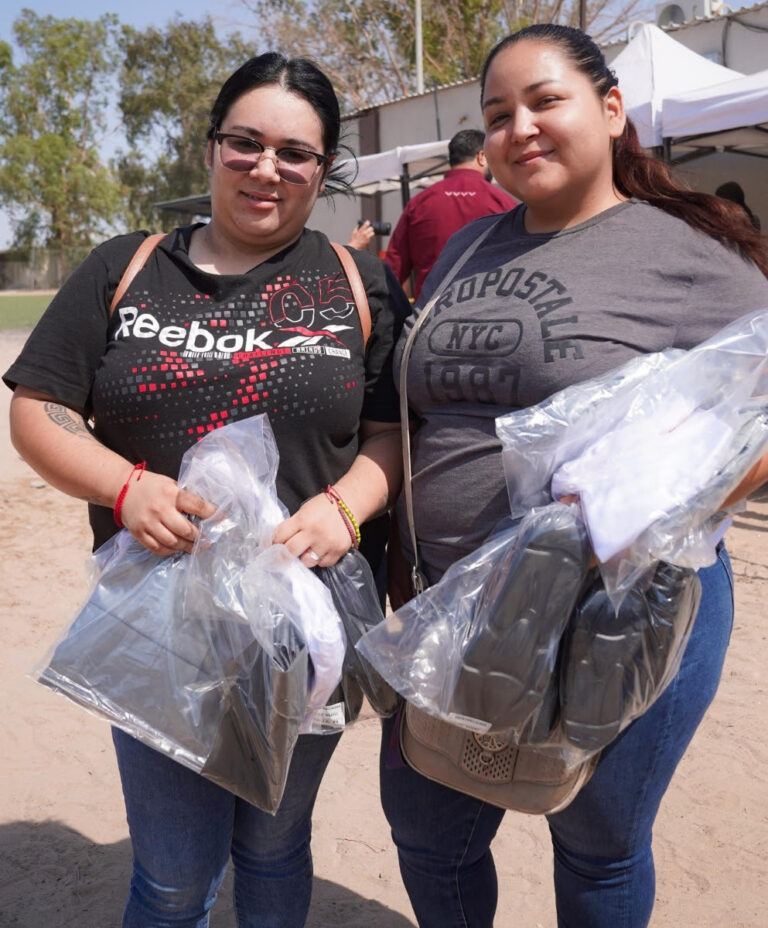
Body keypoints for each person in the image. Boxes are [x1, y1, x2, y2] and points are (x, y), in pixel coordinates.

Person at [4, 52, 408, 928]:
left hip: (303, 627)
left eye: (296, 153)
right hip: (163, 628)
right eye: (246, 143)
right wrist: (125, 487)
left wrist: (348, 506)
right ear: (213, 147)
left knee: (273, 847)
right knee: (177, 876)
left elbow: (390, 431)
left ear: (324, 168)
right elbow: (37, 407)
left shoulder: (358, 284)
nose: (268, 169)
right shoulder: (126, 266)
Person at [380, 24, 768, 928]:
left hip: (618, 615)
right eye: (498, 113)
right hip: (457, 609)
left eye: (545, 100)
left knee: (596, 848)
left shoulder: (686, 248)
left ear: (610, 107)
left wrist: (674, 509)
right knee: (428, 830)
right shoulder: (471, 247)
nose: (521, 127)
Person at [384, 129, 517, 300]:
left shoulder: (419, 203)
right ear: (481, 156)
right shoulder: (502, 202)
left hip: (430, 312)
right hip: (489, 311)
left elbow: (393, 270)